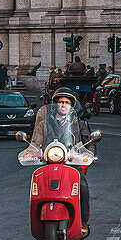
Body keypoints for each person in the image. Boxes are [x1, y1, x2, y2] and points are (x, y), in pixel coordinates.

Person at [30, 89, 93, 226]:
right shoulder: (44, 123)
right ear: (55, 104)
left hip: (72, 164)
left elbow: (88, 141)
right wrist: (32, 151)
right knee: (37, 189)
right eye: (60, 102)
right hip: (49, 163)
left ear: (72, 105)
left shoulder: (80, 123)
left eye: (67, 102)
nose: (63, 105)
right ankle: (38, 220)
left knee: (83, 188)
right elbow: (35, 142)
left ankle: (82, 222)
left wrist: (88, 152)